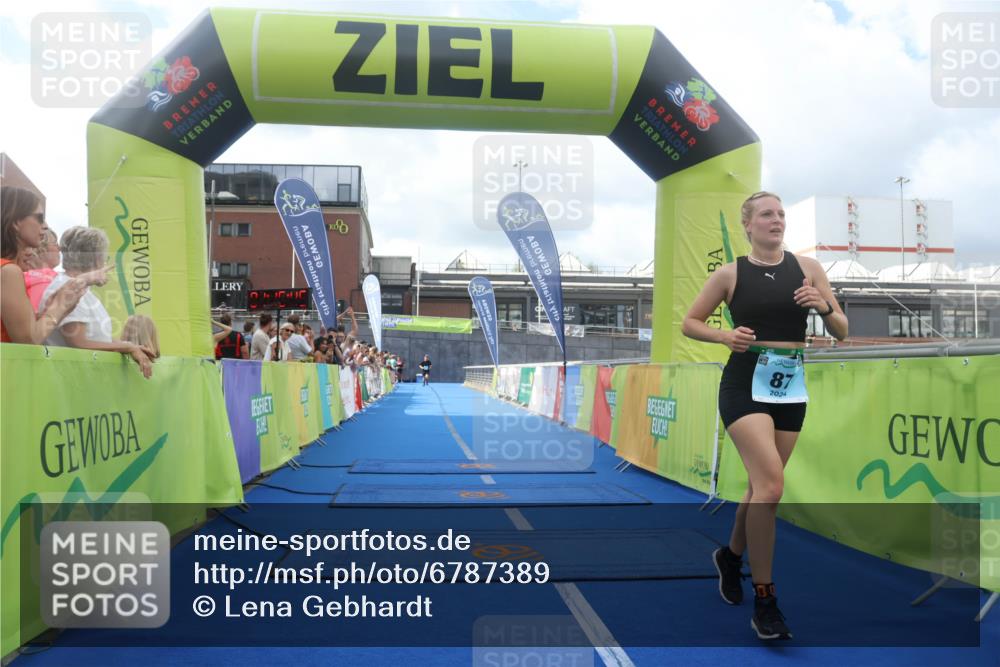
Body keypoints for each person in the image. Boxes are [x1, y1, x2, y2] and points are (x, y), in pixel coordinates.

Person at [682, 191, 848, 641]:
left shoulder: (809, 268)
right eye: (766, 215)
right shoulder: (730, 273)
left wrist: (824, 305)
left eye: (780, 214)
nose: (776, 221)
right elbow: (690, 322)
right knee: (772, 486)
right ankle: (766, 600)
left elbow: (842, 330)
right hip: (744, 384)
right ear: (749, 225)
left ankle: (730, 557)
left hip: (790, 385)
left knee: (760, 488)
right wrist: (724, 336)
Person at [37, 226, 156, 378]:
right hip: (69, 382)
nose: (105, 263)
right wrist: (127, 347)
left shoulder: (79, 288)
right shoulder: (69, 287)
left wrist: (131, 346)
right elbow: (79, 343)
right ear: (95, 259)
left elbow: (99, 338)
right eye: (105, 257)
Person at [1, 186, 106, 344]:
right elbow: (28, 339)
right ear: (16, 222)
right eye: (39, 218)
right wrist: (59, 305)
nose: (44, 226)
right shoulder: (9, 271)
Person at [24, 228, 61, 309]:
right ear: (40, 248)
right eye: (55, 243)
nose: (60, 248)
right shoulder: (47, 282)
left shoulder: (19, 278)